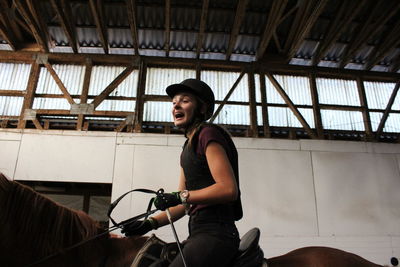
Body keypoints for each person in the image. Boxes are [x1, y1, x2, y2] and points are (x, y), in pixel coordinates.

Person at [122, 79, 243, 267]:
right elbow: (183, 205)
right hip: (196, 232)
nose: (176, 105)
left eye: (185, 100)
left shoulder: (207, 134)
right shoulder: (187, 148)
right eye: (174, 102)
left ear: (202, 109)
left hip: (217, 233)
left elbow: (228, 189)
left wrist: (181, 196)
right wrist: (149, 223)